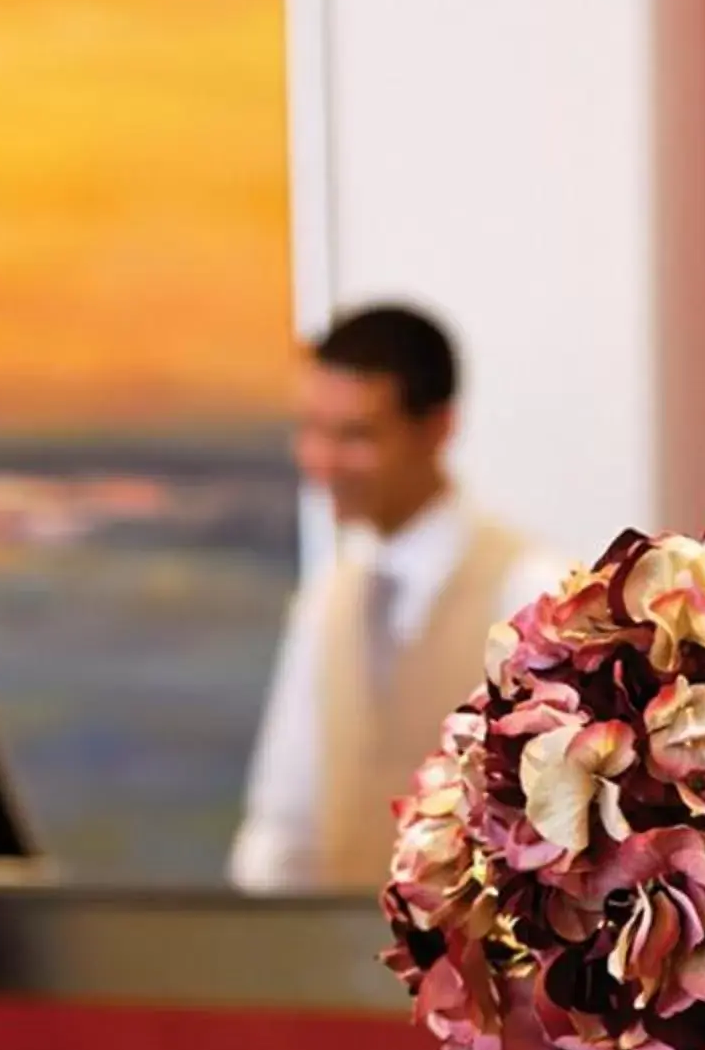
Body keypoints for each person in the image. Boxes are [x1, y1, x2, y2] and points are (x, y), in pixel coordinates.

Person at [230, 305, 567, 893]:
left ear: (438, 428)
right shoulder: (326, 601)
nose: (322, 461)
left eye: (355, 436)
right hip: (333, 971)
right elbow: (284, 824)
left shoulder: (532, 592)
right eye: (311, 429)